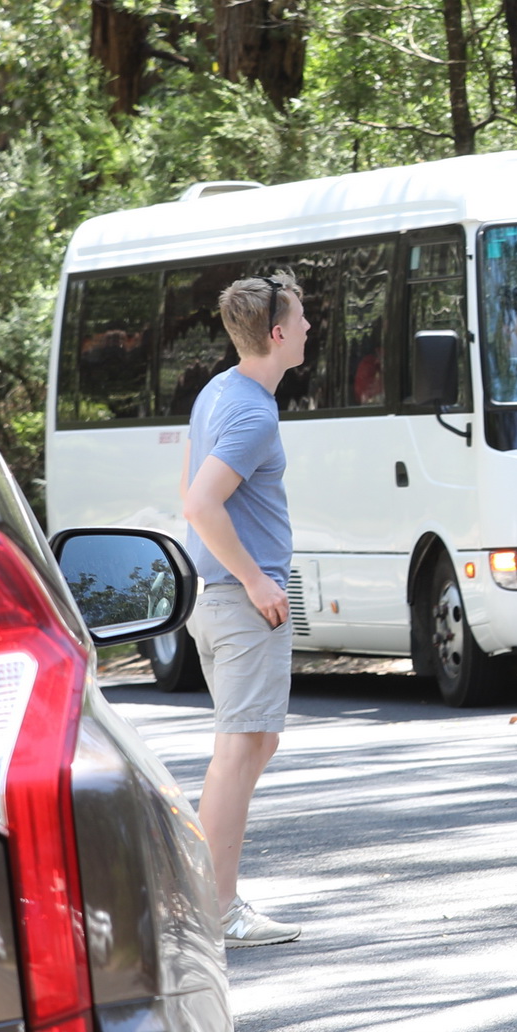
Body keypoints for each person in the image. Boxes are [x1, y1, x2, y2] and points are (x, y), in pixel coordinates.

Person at [179, 272, 310, 943]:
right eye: (303, 318)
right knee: (239, 750)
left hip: (220, 597)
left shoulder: (220, 392)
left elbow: (187, 482)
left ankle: (206, 893)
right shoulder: (255, 411)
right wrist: (257, 581)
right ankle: (215, 907)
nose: (311, 327)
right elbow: (198, 503)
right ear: (278, 334)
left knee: (257, 741)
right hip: (240, 600)